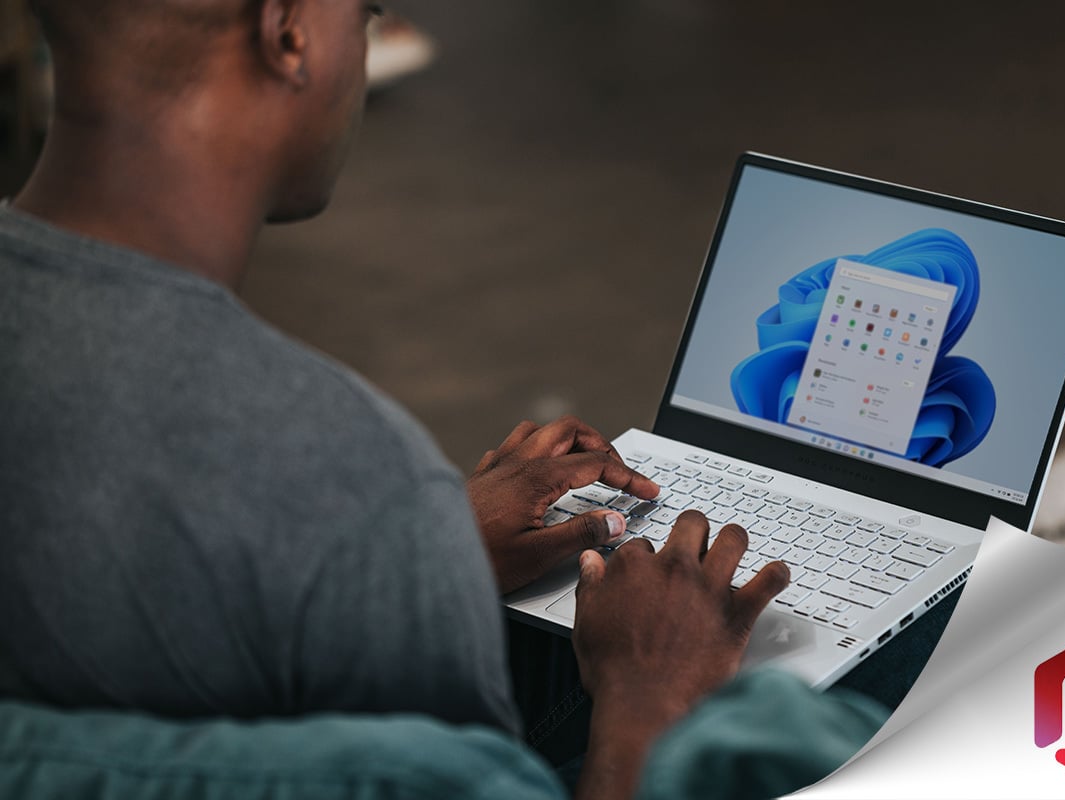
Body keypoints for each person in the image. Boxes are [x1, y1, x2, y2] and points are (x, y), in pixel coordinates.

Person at [0, 1, 792, 796]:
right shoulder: (353, 472)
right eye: (367, 15)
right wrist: (648, 699)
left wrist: (431, 546)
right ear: (288, 33)